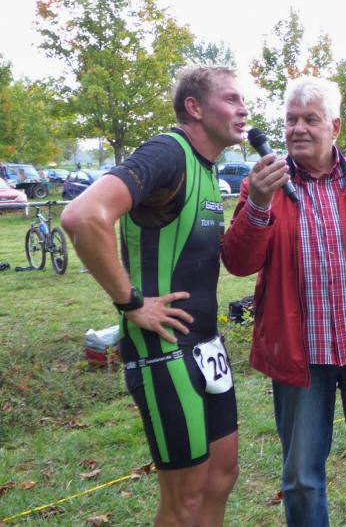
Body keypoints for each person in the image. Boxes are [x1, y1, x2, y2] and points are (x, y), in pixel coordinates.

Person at [221, 76, 346, 526]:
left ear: (335, 126)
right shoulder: (263, 185)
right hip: (300, 356)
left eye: (310, 119)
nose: (298, 129)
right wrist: (258, 203)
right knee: (301, 479)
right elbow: (237, 262)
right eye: (290, 119)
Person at [61, 66, 245, 526]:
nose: (243, 109)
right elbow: (83, 216)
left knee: (222, 477)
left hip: (207, 345)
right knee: (185, 498)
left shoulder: (207, 167)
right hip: (162, 351)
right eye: (231, 99)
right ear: (194, 107)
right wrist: (131, 302)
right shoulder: (168, 152)